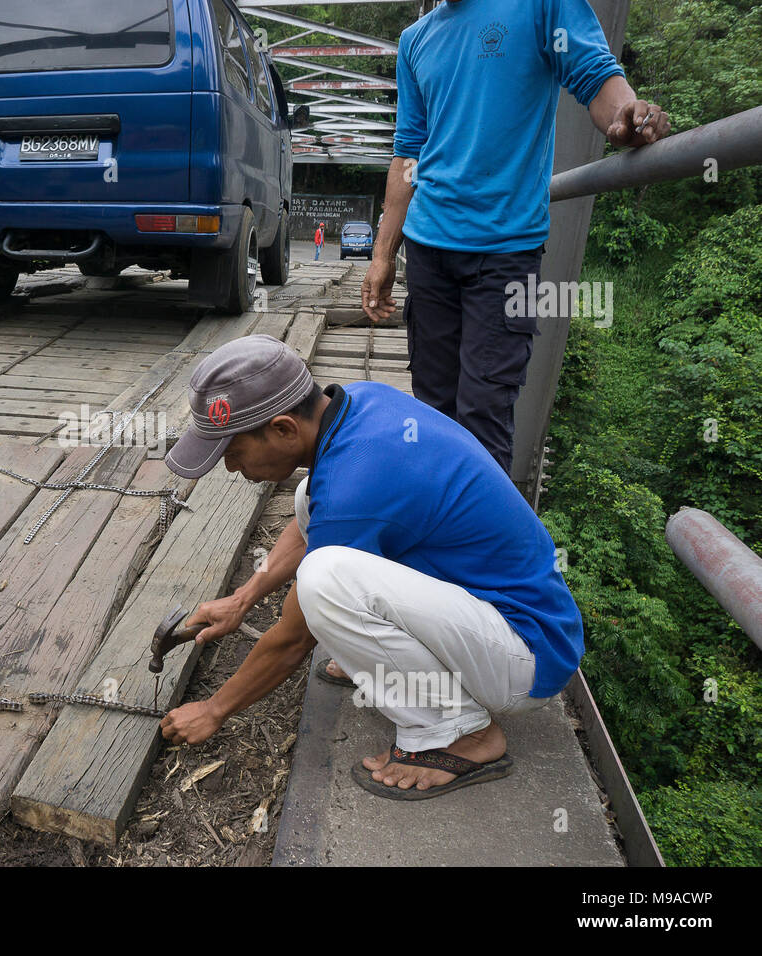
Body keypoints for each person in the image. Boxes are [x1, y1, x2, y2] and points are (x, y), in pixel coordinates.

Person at [158, 334, 584, 799]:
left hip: (527, 656)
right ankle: (399, 662)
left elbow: (294, 638)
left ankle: (462, 734)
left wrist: (215, 710)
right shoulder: (359, 402)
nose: (230, 469)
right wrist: (241, 600)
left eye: (233, 453)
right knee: (309, 500)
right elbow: (317, 522)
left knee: (325, 581)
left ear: (282, 429)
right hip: (503, 616)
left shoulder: (355, 492)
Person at [361, 0, 670, 474]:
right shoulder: (415, 40)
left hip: (505, 253)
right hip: (427, 250)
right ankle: (439, 536)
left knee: (484, 416)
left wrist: (627, 116)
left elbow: (595, 77)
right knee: (433, 411)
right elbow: (408, 154)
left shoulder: (542, 5)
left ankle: (484, 545)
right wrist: (383, 253)